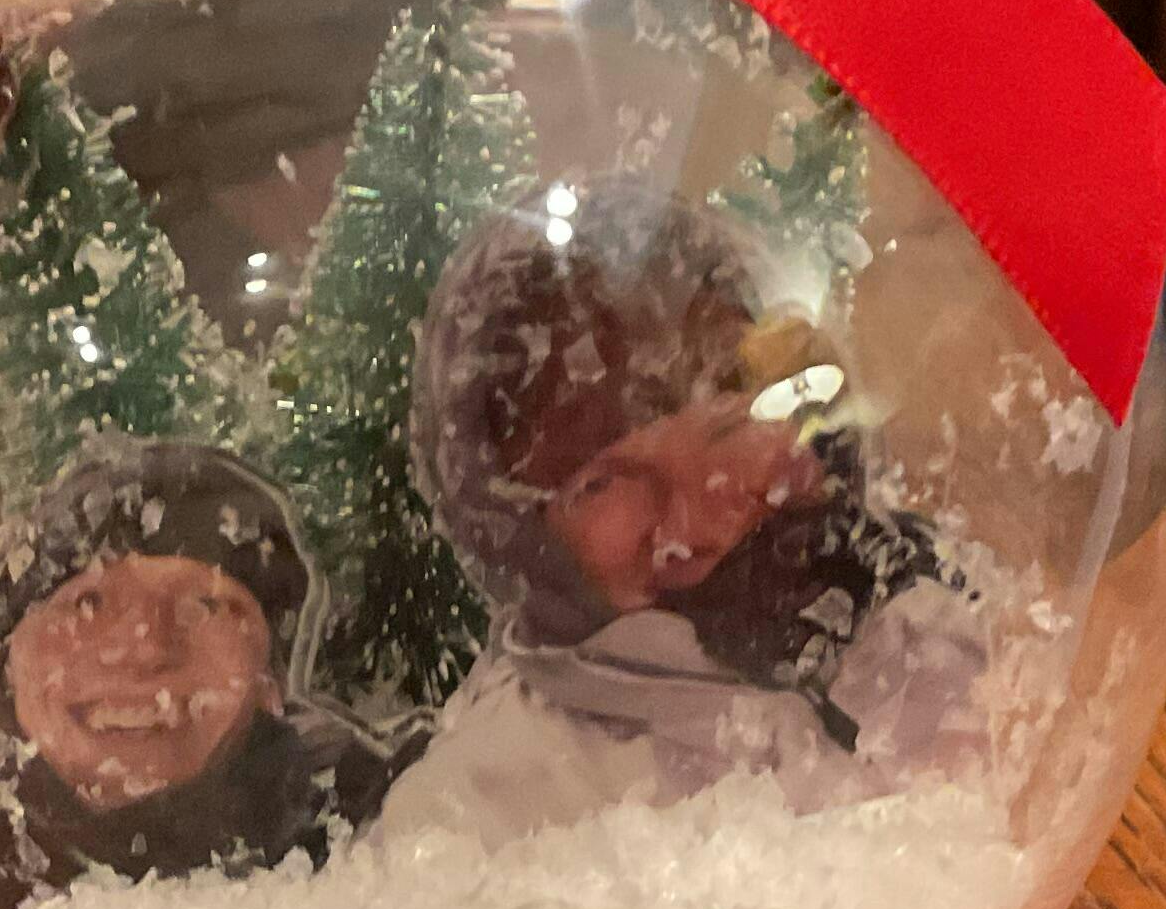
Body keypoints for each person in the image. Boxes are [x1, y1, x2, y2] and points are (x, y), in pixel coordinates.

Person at [387, 179, 980, 838]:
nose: (696, 517)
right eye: (604, 484)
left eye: (727, 426)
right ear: (521, 543)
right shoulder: (488, 811)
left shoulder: (925, 606)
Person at [0, 441, 411, 909]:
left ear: (269, 678)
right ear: (9, 662)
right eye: (88, 602)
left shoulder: (379, 821)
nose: (144, 649)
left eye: (203, 606)